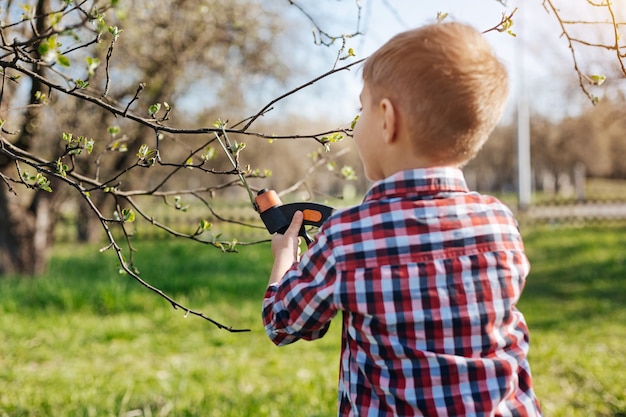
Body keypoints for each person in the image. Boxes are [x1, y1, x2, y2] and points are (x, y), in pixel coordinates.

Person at [262, 21, 542, 417]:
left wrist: (284, 256)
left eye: (361, 109)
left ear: (386, 119)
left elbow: (284, 323)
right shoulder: (500, 223)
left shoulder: (348, 239)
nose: (355, 125)